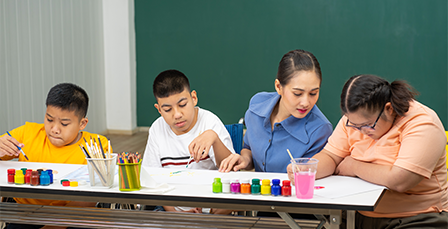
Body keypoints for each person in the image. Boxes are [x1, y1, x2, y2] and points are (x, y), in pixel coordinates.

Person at [288, 74, 448, 228]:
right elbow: (331, 156)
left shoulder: (422, 124)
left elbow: (400, 180)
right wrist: (308, 169)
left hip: (416, 217)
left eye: (367, 125)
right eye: (354, 125)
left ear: (389, 109)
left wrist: (353, 166)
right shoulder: (356, 119)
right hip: (356, 213)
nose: (361, 131)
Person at [0, 83, 111, 229]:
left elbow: (92, 197)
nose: (54, 129)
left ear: (82, 123)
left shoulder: (96, 145)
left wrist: (54, 225)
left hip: (72, 216)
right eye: (49, 120)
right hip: (25, 215)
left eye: (64, 124)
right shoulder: (27, 133)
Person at [219, 49, 332, 173]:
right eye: (297, 93)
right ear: (278, 87)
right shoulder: (257, 106)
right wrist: (245, 159)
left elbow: (310, 176)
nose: (306, 102)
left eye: (313, 93)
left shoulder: (320, 129)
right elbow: (248, 147)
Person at [142, 69, 235, 214]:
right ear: (159, 109)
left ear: (193, 98)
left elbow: (233, 173)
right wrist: (176, 214)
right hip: (171, 210)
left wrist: (214, 139)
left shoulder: (210, 122)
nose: (177, 114)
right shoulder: (157, 128)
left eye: (183, 104)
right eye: (167, 109)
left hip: (210, 210)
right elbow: (152, 179)